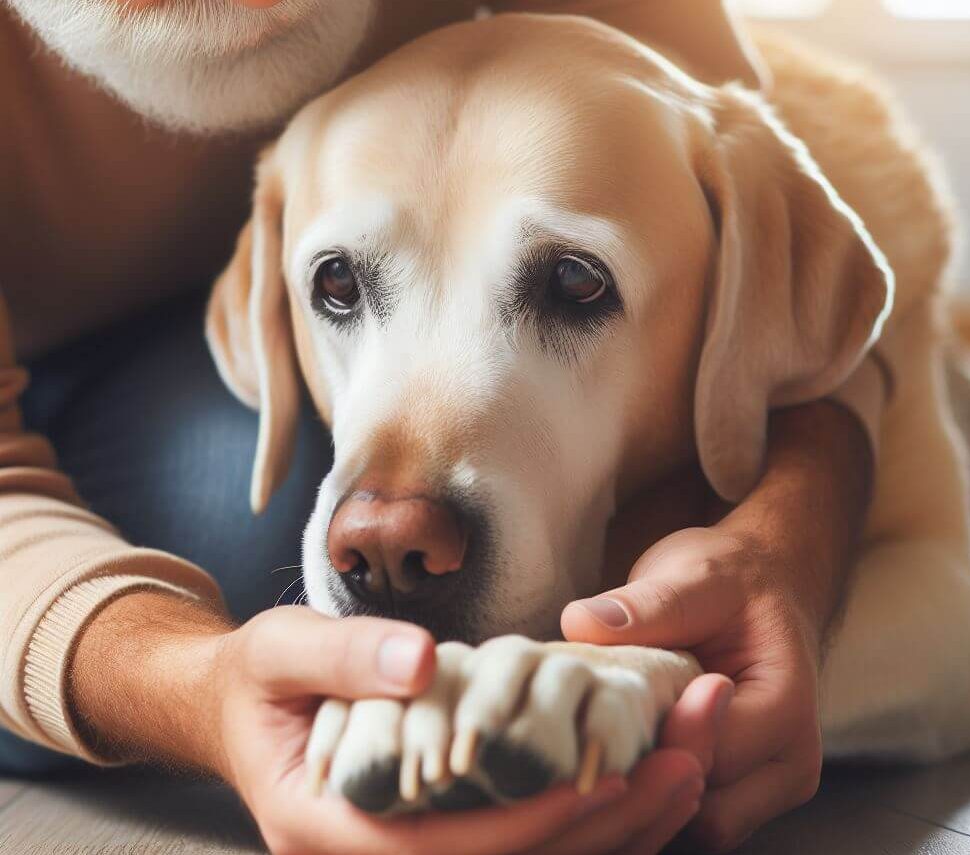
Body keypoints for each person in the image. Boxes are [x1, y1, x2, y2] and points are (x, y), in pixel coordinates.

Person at [0, 1, 881, 851]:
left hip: (194, 339)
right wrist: (201, 695)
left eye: (571, 286)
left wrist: (793, 525)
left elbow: (769, 241)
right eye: (342, 285)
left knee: (242, 519)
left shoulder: (691, 146)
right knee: (237, 541)